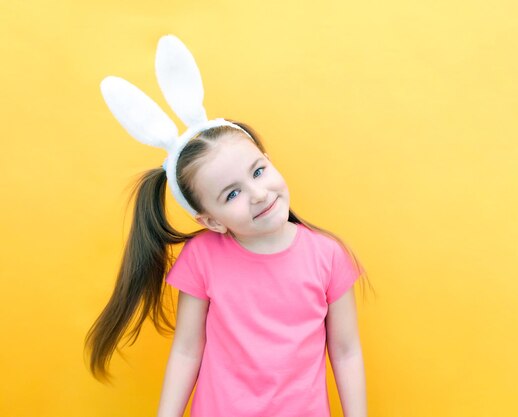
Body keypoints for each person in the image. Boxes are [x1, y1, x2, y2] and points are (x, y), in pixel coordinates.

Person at [83, 35, 375, 417]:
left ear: (268, 160)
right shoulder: (202, 257)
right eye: (231, 194)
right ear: (210, 221)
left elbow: (346, 350)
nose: (257, 193)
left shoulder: (327, 256)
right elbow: (188, 348)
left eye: (258, 171)